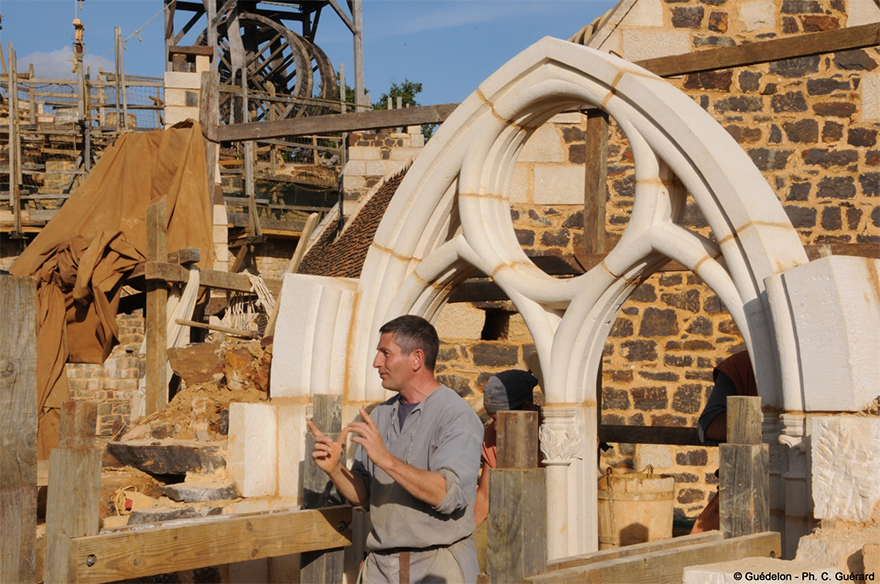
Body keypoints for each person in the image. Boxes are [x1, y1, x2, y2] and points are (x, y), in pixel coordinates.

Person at [308, 315, 484, 583]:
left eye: (385, 353)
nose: (376, 362)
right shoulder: (379, 415)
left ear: (416, 359)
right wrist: (335, 470)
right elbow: (363, 497)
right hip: (380, 568)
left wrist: (386, 460)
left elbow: (448, 494)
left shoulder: (457, 416)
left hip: (438, 567)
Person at [691, 351, 758, 533]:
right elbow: (709, 424)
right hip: (742, 486)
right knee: (699, 548)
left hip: (797, 486)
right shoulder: (742, 365)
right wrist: (758, 421)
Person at [473, 369, 541, 528]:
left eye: (501, 418)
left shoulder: (552, 434)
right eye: (492, 419)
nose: (495, 427)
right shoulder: (492, 436)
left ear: (526, 408)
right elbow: (485, 497)